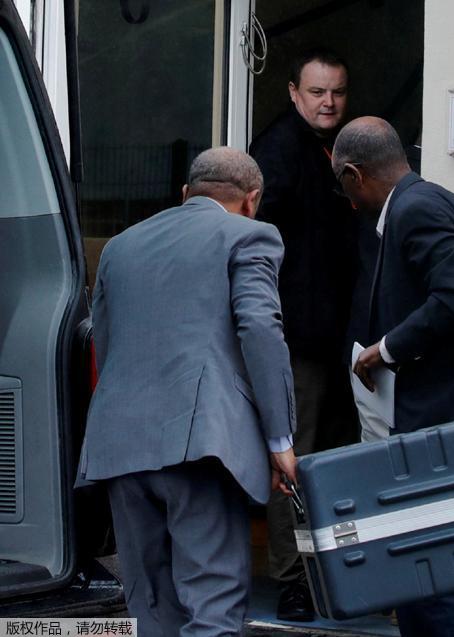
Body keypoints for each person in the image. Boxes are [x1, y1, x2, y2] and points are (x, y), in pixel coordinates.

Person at [77, 147, 297, 637]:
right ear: (252, 199)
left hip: (119, 442)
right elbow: (260, 330)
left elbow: (106, 343)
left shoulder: (120, 245)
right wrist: (279, 440)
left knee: (151, 607)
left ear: (185, 194)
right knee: (213, 605)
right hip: (201, 446)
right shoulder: (251, 235)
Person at [333, 116, 454, 637]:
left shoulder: (414, 210)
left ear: (355, 175)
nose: (350, 204)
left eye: (345, 189)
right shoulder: (439, 201)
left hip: (449, 411)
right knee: (428, 572)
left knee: (429, 571)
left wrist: (384, 351)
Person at [249, 47, 359, 621]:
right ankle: (294, 580)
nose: (328, 102)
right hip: (297, 342)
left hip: (336, 341)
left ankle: (332, 572)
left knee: (334, 458)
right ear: (294, 93)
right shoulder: (280, 149)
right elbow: (257, 243)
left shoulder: (334, 150)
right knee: (294, 462)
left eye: (337, 92)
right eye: (317, 92)